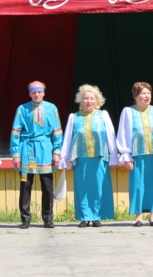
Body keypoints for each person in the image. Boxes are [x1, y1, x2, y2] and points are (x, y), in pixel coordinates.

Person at [60, 84, 119, 227]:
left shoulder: (103, 115)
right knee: (82, 187)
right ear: (81, 101)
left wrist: (114, 155)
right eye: (85, 98)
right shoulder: (74, 117)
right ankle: (85, 217)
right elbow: (68, 138)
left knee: (99, 187)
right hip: (80, 158)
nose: (88, 101)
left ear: (97, 101)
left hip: (99, 157)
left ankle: (97, 216)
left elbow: (110, 135)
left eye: (92, 98)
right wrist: (64, 157)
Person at [10, 81, 63, 229]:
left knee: (47, 186)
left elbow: (57, 132)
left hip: (45, 150)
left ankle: (48, 218)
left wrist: (56, 152)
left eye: (39, 91)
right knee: (25, 185)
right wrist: (15, 154)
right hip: (27, 149)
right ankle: (25, 218)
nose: (36, 94)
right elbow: (15, 132)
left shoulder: (52, 109)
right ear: (29, 93)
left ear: (44, 93)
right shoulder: (22, 109)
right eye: (33, 92)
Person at [116, 82, 153, 227]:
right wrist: (126, 155)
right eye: (143, 93)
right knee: (138, 185)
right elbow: (123, 134)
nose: (147, 96)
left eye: (149, 93)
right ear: (136, 96)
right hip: (138, 154)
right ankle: (138, 216)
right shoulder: (128, 111)